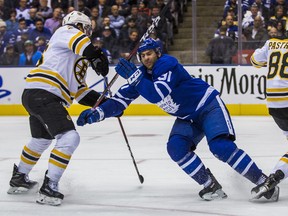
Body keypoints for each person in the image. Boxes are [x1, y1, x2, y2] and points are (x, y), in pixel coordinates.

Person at [76, 38, 279, 201]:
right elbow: (120, 102)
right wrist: (98, 113)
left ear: (158, 53)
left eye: (149, 54)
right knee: (176, 148)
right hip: (187, 117)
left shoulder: (167, 64)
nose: (146, 58)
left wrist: (135, 79)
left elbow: (157, 94)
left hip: (208, 106)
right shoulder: (139, 75)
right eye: (142, 55)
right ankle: (210, 184)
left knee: (220, 147)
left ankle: (264, 182)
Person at [7, 11, 109, 206]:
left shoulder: (74, 58)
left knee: (41, 139)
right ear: (80, 25)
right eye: (86, 28)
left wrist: (105, 103)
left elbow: (80, 93)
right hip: (45, 94)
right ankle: (49, 187)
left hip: (36, 94)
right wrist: (96, 56)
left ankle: (19, 177)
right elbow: (87, 48)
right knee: (69, 137)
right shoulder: (66, 30)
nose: (87, 32)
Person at [250, 27, 287, 200]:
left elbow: (254, 61)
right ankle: (274, 177)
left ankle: (271, 179)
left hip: (274, 103)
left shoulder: (271, 43)